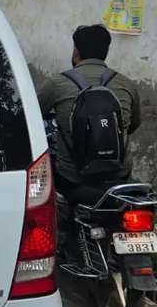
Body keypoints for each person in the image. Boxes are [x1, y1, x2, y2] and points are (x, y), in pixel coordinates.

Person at [38, 24, 141, 201]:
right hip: (118, 176)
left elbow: (31, 117)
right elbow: (133, 126)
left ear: (75, 52)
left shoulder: (57, 83)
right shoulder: (126, 84)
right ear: (105, 52)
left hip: (72, 178)